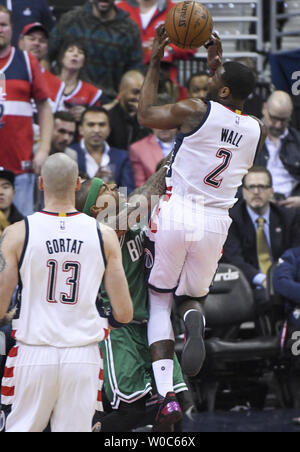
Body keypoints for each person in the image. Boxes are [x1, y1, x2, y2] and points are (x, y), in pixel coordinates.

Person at [137, 25, 266, 430]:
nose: (209, 78)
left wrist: (156, 61)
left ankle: (165, 395)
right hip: (216, 222)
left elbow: (144, 115)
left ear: (223, 90)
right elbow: (228, 106)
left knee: (159, 300)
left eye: (214, 77)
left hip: (179, 211)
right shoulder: (256, 128)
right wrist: (220, 63)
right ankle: (195, 318)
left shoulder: (195, 109)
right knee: (192, 296)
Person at [0, 153, 133, 432]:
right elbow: (124, 313)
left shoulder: (15, 233)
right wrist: (99, 322)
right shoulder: (105, 235)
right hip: (82, 356)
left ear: (39, 184)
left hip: (33, 353)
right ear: (77, 184)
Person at [75, 173, 191, 433]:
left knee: (172, 406)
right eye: (105, 188)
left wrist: (177, 159)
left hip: (151, 327)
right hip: (119, 332)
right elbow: (149, 193)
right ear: (96, 209)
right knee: (131, 410)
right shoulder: (103, 231)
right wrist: (181, 150)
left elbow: (150, 186)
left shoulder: (126, 218)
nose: (114, 185)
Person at [0, 5, 53, 216]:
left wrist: (44, 149)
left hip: (20, 165)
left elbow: (44, 107)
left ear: (12, 28)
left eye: (3, 25)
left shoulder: (26, 60)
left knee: (20, 230)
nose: (0, 29)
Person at [222, 166, 300, 310]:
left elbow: (294, 255)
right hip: (249, 283)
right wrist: (264, 280)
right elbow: (234, 260)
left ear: (271, 191)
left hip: (284, 279)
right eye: (251, 187)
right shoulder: (231, 220)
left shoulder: (289, 217)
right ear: (243, 192)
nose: (256, 192)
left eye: (262, 187)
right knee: (266, 298)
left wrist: (278, 280)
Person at [48, 0, 143, 102]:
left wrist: (116, 103)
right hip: (66, 97)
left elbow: (135, 73)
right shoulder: (71, 20)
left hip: (109, 101)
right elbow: (46, 56)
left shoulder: (130, 29)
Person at [71, 107, 135, 193]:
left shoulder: (122, 157)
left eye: (102, 125)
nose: (97, 130)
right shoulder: (69, 154)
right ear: (80, 129)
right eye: (91, 125)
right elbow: (66, 193)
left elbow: (127, 192)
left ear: (109, 129)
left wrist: (113, 194)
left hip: (114, 205)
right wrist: (93, 184)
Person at [254, 91, 300, 208]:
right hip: (254, 202)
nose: (278, 125)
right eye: (274, 119)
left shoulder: (297, 141)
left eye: (284, 120)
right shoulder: (250, 138)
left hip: (292, 206)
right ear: (264, 108)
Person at [130, 94, 176, 187]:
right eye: (158, 121)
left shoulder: (189, 144)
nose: (163, 126)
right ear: (151, 122)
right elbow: (141, 188)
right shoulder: (137, 149)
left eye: (168, 120)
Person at [18, 21, 65, 113]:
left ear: (47, 47)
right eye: (32, 39)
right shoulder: (4, 72)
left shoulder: (57, 84)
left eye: (42, 41)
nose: (37, 43)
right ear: (21, 42)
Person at [55, 38, 103, 123]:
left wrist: (86, 115)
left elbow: (98, 119)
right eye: (70, 51)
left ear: (83, 62)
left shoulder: (91, 93)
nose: (75, 54)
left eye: (80, 52)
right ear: (62, 57)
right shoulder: (44, 83)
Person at [106, 70, 152, 151]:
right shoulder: (108, 118)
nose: (139, 97)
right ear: (121, 90)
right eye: (135, 92)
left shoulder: (148, 119)